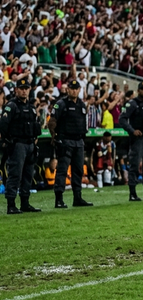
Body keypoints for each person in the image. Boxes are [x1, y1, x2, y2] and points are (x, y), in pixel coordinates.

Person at [0, 76, 42, 214]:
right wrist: (7, 141)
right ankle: (11, 204)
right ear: (16, 90)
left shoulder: (31, 107)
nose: (24, 91)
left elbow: (36, 125)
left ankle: (25, 202)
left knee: (28, 175)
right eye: (21, 89)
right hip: (17, 144)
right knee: (15, 175)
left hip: (30, 144)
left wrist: (35, 139)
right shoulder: (11, 106)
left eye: (26, 89)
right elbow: (3, 125)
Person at [48, 80, 93, 209]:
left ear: (79, 90)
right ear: (68, 90)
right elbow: (52, 121)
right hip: (65, 140)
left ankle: (77, 198)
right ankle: (59, 199)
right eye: (71, 88)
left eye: (76, 88)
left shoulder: (82, 105)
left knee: (78, 170)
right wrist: (54, 136)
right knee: (62, 170)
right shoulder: (61, 104)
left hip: (78, 141)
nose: (74, 91)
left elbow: (84, 123)